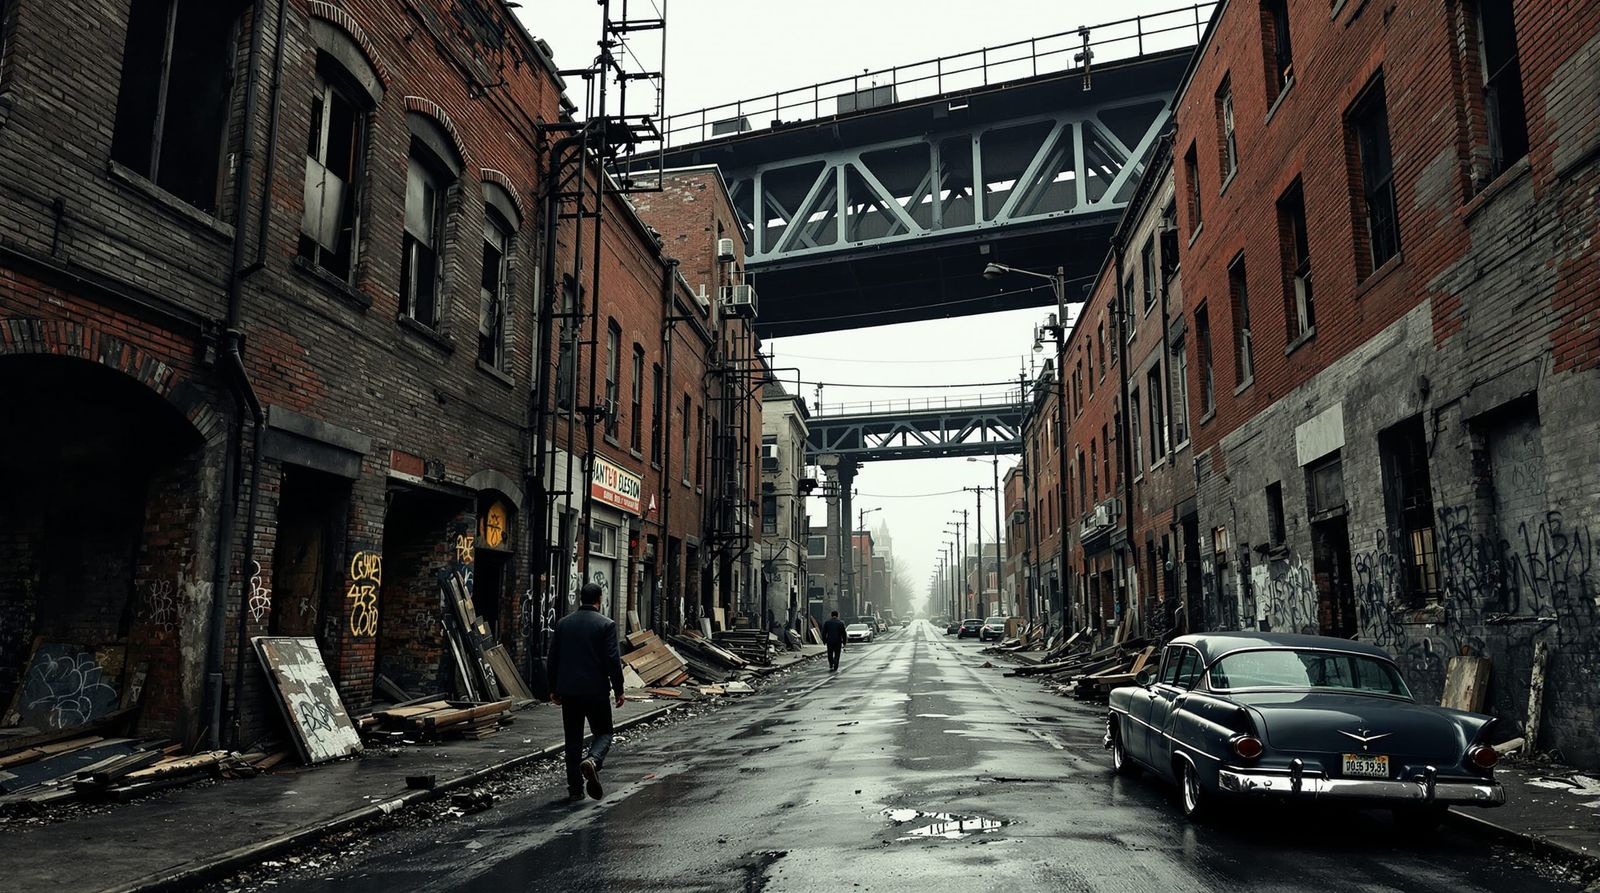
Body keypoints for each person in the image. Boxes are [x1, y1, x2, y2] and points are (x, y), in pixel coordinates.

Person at [546, 582, 625, 801]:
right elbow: (612, 660)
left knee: (572, 740)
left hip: (569, 692)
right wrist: (619, 689)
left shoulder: (563, 624)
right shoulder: (606, 625)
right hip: (596, 692)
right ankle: (593, 759)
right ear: (600, 599)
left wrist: (553, 688)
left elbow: (553, 659)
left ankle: (575, 790)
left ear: (581, 598)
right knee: (604, 732)